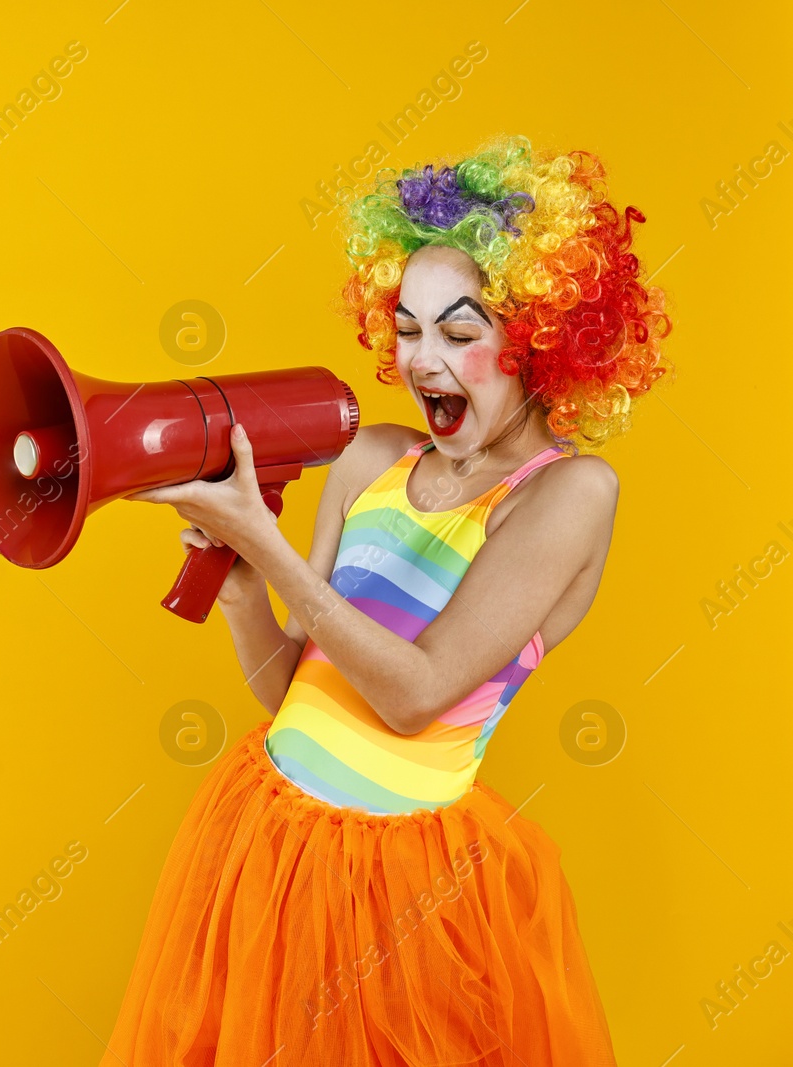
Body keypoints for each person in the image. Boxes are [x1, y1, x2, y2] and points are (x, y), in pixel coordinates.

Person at [111, 137, 671, 1065]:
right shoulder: (371, 458)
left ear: (537, 338)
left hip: (402, 895)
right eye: (408, 329)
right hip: (264, 841)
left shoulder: (566, 496)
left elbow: (416, 693)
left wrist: (269, 547)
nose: (423, 359)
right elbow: (294, 686)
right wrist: (248, 591)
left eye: (460, 333)